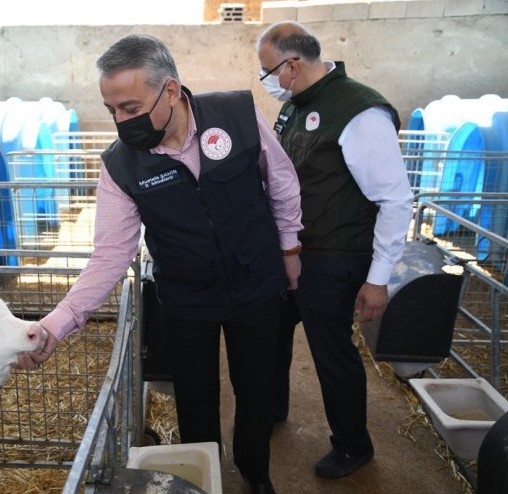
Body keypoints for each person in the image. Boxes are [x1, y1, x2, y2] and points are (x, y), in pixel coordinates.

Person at [15, 34, 302, 493]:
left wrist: (289, 250)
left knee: (257, 389)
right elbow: (111, 255)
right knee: (195, 400)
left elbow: (282, 182)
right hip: (187, 298)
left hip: (256, 282)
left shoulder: (236, 115)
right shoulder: (120, 165)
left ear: (170, 91)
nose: (119, 121)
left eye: (129, 108)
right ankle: (202, 480)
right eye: (111, 110)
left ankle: (255, 470)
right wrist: (56, 323)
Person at [255, 21, 414, 479]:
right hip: (291, 248)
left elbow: (395, 199)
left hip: (335, 256)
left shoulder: (360, 112)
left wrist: (378, 278)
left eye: (267, 72)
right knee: (270, 334)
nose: (266, 82)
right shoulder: (293, 108)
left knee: (331, 353)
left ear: (291, 66)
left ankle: (352, 445)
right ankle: (271, 408)